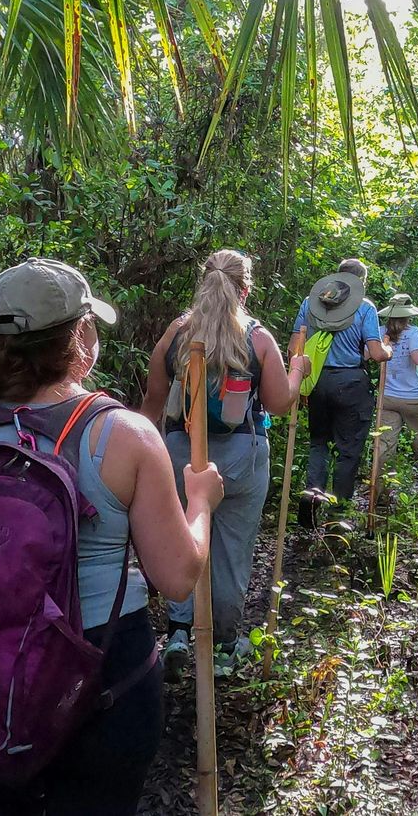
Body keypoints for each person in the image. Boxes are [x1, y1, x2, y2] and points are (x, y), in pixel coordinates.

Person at [0, 258, 224, 816]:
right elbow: (177, 577)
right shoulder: (122, 433)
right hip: (104, 676)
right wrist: (199, 503)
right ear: (81, 335)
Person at [141, 250, 310, 677]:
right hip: (241, 458)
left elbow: (152, 404)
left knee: (182, 538)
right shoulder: (257, 338)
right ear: (245, 290)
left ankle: (179, 633)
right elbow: (279, 403)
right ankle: (225, 645)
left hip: (182, 457)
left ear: (204, 284)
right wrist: (298, 370)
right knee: (233, 552)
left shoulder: (177, 333)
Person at [289, 258, 392, 522]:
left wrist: (300, 382)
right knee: (348, 449)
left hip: (317, 383)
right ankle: (338, 515)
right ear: (361, 283)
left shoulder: (310, 303)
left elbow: (293, 349)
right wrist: (388, 349)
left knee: (318, 444)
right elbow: (378, 354)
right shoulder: (365, 307)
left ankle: (310, 504)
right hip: (351, 383)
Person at [376, 293, 418, 476]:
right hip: (413, 398)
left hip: (387, 396)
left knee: (386, 444)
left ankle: (382, 489)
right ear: (408, 314)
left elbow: (369, 355)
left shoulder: (380, 332)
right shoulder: (413, 332)